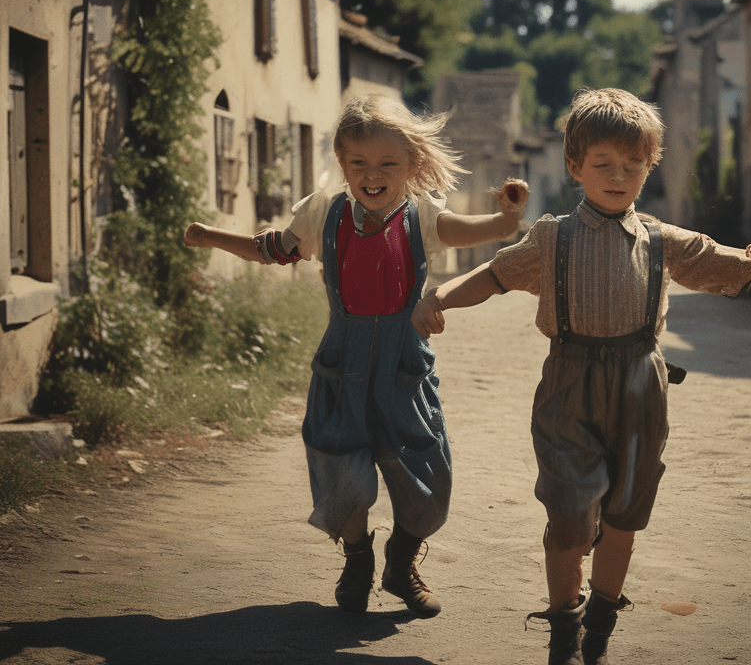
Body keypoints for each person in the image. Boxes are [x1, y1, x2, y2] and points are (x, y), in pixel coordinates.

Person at [411, 87, 751, 664]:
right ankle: (563, 627)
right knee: (569, 519)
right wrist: (437, 296)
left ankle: (599, 628)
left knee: (624, 513)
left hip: (642, 387)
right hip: (568, 385)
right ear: (574, 165)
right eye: (603, 165)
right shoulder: (552, 238)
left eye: (633, 166)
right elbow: (492, 276)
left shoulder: (667, 243)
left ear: (650, 166)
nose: (618, 176)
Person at [184, 94, 528, 618]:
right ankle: (358, 559)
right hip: (341, 367)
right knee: (344, 479)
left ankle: (401, 562)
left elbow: (491, 231)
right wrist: (211, 237)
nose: (373, 175)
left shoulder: (424, 217)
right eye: (359, 163)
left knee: (427, 482)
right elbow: (270, 248)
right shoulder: (323, 214)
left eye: (388, 164)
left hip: (403, 370)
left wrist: (507, 215)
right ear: (342, 164)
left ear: (412, 165)